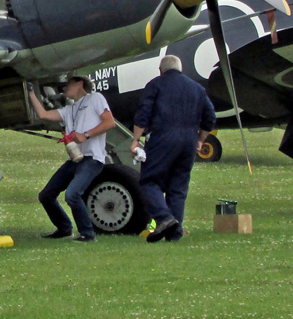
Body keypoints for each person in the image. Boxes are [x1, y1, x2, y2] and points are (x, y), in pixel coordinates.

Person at [130, 54, 216, 243]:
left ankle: (164, 218)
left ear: (161, 70)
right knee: (178, 187)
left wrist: (136, 139)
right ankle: (174, 234)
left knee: (149, 181)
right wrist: (200, 140)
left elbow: (143, 114)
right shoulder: (197, 88)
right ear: (181, 69)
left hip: (163, 137)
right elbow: (210, 117)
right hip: (189, 140)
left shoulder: (156, 85)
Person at [29, 76, 116, 242]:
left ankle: (88, 234)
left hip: (92, 158)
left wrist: (86, 135)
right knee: (46, 195)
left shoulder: (95, 98)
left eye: (67, 85)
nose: (64, 89)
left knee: (72, 194)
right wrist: (31, 93)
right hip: (75, 159)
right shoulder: (70, 109)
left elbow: (109, 123)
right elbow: (43, 114)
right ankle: (64, 228)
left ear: (79, 84)